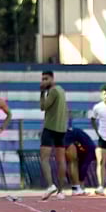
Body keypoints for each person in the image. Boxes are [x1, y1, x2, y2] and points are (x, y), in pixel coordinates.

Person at [39, 71, 68, 200]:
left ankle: (51, 185)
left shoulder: (53, 91)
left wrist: (41, 93)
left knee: (44, 158)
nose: (43, 81)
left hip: (50, 128)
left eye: (46, 79)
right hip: (61, 129)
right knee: (61, 160)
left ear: (52, 78)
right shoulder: (61, 90)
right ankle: (61, 191)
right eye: (42, 79)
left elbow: (43, 107)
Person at [64, 124, 95, 195]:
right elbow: (84, 167)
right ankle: (77, 188)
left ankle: (75, 187)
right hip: (69, 135)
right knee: (73, 162)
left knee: (70, 162)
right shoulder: (91, 152)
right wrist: (81, 180)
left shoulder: (87, 149)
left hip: (67, 134)